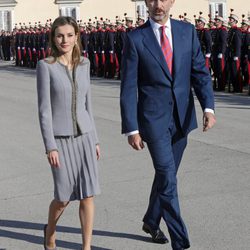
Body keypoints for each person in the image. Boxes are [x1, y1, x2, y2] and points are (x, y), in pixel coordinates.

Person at [120, 1, 216, 249]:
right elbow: (129, 87)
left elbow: (200, 73)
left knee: (166, 176)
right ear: (145, 3)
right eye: (152, 0)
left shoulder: (186, 31)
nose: (157, 5)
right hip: (153, 122)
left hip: (182, 119)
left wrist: (208, 107)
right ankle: (181, 243)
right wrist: (132, 128)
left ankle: (152, 220)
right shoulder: (135, 38)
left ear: (172, 1)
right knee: (168, 179)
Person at [36, 16, 100, 250]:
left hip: (85, 138)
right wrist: (50, 145)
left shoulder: (85, 63)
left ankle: (86, 247)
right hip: (60, 142)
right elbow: (44, 111)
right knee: (63, 198)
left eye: (70, 35)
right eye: (60, 35)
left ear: (76, 37)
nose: (65, 40)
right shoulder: (46, 66)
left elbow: (88, 104)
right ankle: (50, 230)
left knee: (88, 195)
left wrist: (95, 140)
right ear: (53, 37)